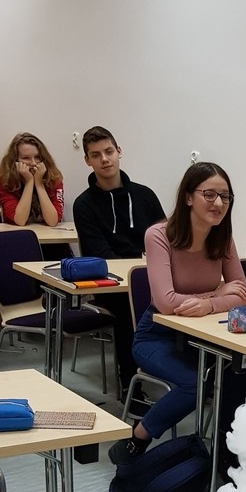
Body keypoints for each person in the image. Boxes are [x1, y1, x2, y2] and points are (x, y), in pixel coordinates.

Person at [109, 161, 246, 463]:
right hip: (156, 336)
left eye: (225, 196)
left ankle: (224, 461)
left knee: (241, 377)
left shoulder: (222, 237)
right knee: (194, 383)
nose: (218, 203)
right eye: (209, 194)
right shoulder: (159, 235)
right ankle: (138, 436)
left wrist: (208, 304)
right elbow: (165, 302)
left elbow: (242, 293)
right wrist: (216, 295)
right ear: (188, 197)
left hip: (203, 338)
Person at [72, 125, 166, 396]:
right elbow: (100, 254)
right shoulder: (84, 204)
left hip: (152, 277)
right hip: (111, 285)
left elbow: (166, 239)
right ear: (87, 160)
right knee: (130, 309)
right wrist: (138, 275)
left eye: (109, 151)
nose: (105, 159)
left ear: (119, 152)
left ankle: (193, 379)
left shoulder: (145, 195)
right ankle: (130, 386)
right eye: (96, 155)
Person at [0, 132, 64, 227]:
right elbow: (20, 220)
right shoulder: (6, 181)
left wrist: (39, 184)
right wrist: (29, 182)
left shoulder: (54, 178)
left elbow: (52, 221)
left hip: (49, 234)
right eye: (26, 158)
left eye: (37, 157)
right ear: (15, 161)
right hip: (18, 234)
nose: (33, 163)